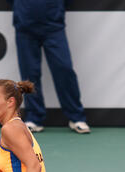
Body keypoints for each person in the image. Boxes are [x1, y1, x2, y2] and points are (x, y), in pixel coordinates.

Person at [6, 0, 90, 134]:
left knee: (64, 69)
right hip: (24, 25)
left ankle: (76, 117)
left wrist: (56, 9)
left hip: (54, 26)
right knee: (29, 73)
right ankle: (34, 117)